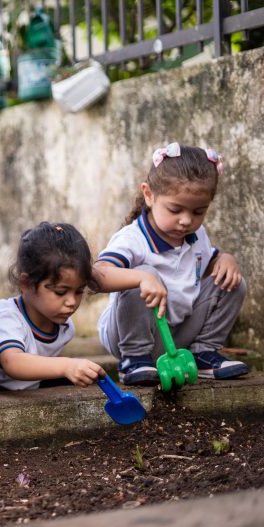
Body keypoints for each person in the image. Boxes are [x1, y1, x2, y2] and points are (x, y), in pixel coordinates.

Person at [95, 143, 248, 385]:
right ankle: (133, 361)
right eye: (175, 209)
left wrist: (225, 259)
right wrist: (141, 278)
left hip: (177, 334)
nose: (186, 221)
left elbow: (208, 268)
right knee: (142, 272)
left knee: (232, 282)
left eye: (198, 212)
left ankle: (202, 353)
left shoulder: (197, 236)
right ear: (149, 195)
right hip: (128, 336)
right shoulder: (132, 238)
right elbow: (97, 275)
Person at [0, 222, 105, 393]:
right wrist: (66, 365)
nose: (72, 301)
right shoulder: (8, 317)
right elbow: (12, 362)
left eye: (79, 291)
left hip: (19, 383)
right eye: (60, 292)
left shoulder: (65, 327)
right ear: (26, 284)